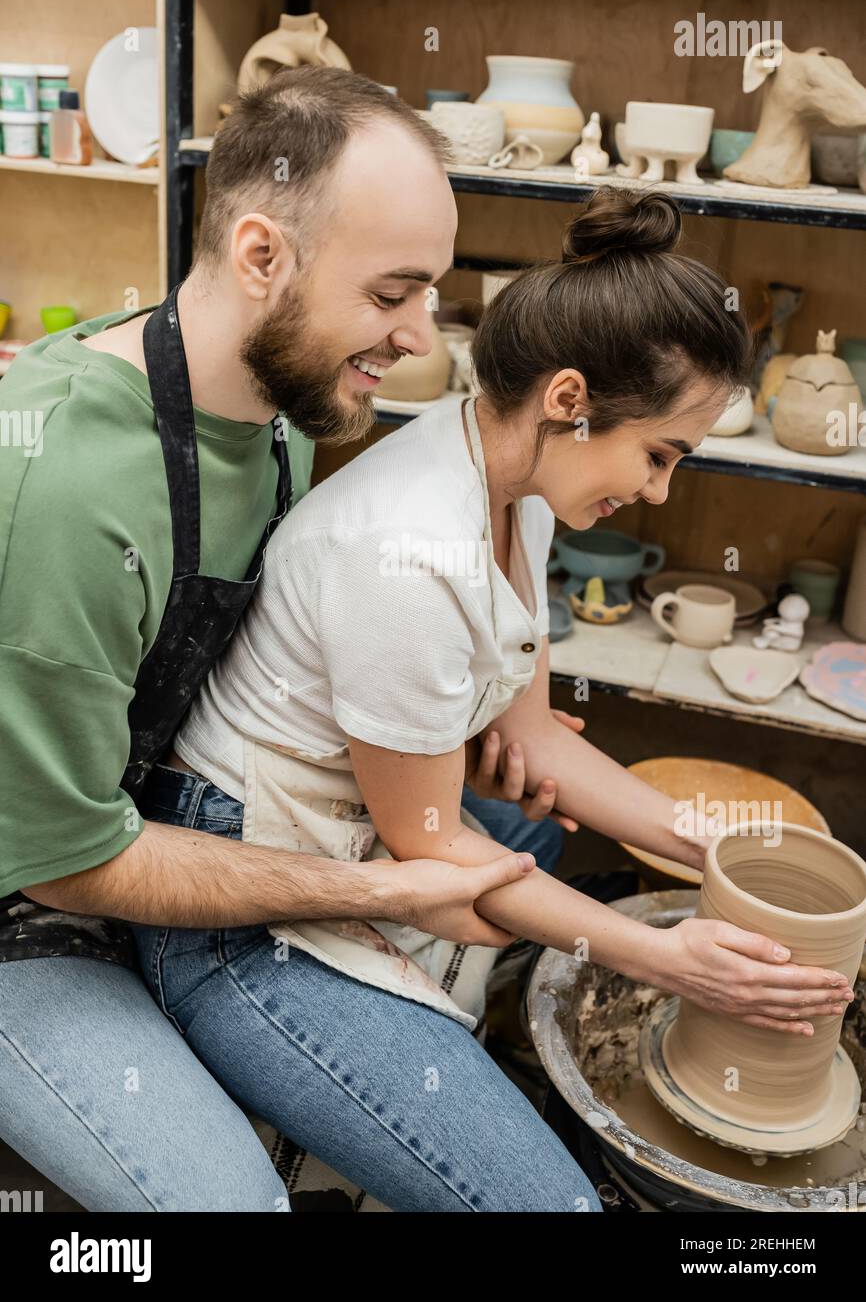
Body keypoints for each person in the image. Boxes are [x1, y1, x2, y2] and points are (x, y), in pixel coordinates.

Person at [131, 177, 855, 1212]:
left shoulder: (518, 489)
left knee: (538, 840)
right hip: (240, 900)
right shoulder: (407, 553)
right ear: (568, 399)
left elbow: (534, 742)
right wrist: (669, 960)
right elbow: (437, 848)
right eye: (658, 454)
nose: (657, 492)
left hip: (360, 835)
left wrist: (717, 848)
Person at [0, 67, 570, 1212]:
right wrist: (369, 889)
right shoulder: (69, 492)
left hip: (145, 812)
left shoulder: (274, 413)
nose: (419, 340)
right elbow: (65, 859)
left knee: (524, 848)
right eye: (392, 295)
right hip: (31, 891)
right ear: (262, 256)